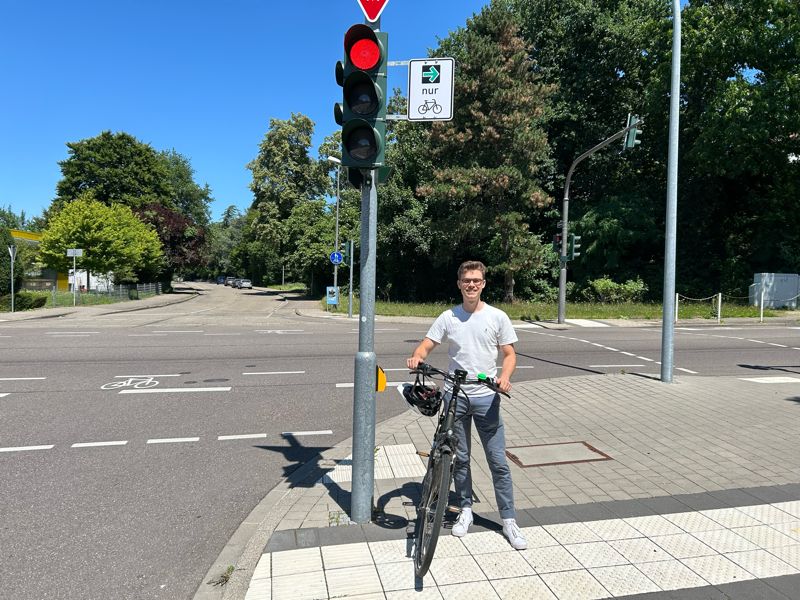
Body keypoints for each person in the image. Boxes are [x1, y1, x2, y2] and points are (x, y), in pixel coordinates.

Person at [406, 260, 527, 550]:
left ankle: (509, 520)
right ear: (459, 284)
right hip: (455, 396)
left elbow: (509, 354)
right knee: (459, 459)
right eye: (466, 281)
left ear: (483, 284)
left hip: (486, 396)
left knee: (498, 461)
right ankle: (466, 511)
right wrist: (417, 356)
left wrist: (505, 378)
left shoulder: (497, 317)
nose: (471, 285)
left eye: (476, 280)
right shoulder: (449, 316)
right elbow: (426, 344)